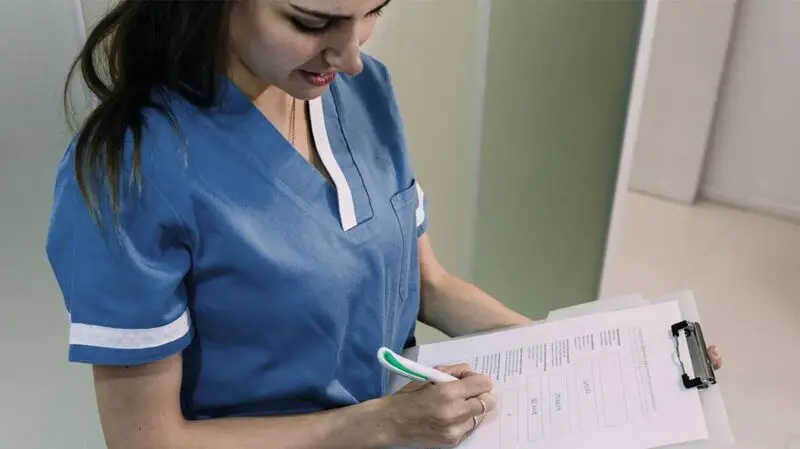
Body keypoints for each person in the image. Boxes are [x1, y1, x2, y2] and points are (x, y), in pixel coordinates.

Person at [46, 1, 723, 448]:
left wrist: (608, 351)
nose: (350, 55)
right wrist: (376, 424)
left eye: (372, 12)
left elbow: (428, 284)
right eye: (313, 21)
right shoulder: (131, 171)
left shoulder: (360, 93)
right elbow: (149, 439)